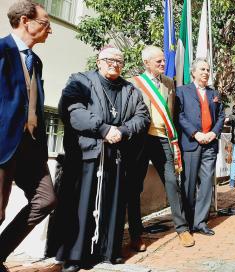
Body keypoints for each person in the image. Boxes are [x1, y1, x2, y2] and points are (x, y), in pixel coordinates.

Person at [46, 46, 150, 272]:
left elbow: (142, 117)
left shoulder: (130, 90)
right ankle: (74, 257)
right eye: (109, 59)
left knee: (112, 207)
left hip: (116, 157)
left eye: (119, 60)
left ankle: (107, 252)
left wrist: (121, 131)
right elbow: (73, 110)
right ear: (98, 61)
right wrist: (103, 129)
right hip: (86, 156)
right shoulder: (80, 80)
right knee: (79, 207)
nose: (114, 63)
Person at [0, 2, 56, 271]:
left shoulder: (37, 61)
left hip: (30, 146)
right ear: (26, 21)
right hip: (2, 144)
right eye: (45, 23)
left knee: (46, 199)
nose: (50, 30)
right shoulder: (1, 51)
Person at [127, 46, 187, 251]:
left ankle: (182, 228)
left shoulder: (169, 83)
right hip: (140, 141)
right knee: (135, 187)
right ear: (146, 63)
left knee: (171, 182)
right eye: (158, 61)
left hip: (163, 139)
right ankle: (136, 234)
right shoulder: (134, 83)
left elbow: (173, 113)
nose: (163, 64)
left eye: (163, 61)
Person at [176, 58, 224, 242]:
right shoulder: (182, 91)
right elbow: (178, 115)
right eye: (202, 69)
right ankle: (187, 222)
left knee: (206, 185)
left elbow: (220, 115)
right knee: (188, 184)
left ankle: (201, 222)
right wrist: (195, 133)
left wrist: (214, 133)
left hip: (210, 144)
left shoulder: (214, 93)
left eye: (208, 69)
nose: (206, 72)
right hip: (191, 143)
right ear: (193, 72)